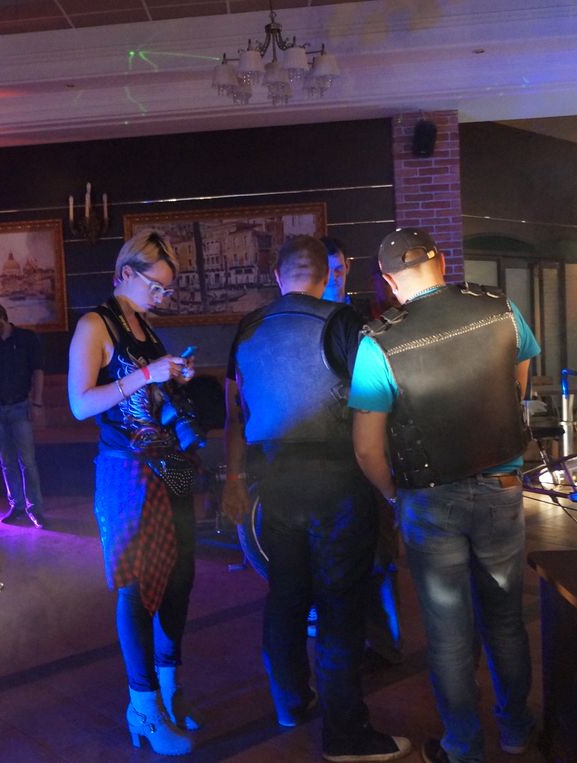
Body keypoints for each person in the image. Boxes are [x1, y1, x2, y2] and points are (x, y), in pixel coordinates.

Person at [351, 228, 539, 763]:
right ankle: (516, 731)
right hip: (502, 486)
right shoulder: (500, 308)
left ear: (389, 281)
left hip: (429, 499)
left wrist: (394, 495)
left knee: (449, 632)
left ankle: (462, 747)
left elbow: (366, 449)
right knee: (505, 619)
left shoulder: (378, 342)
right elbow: (517, 389)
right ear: (440, 262)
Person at [222, 235, 411, 762]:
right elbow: (378, 403)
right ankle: (345, 734)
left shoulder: (248, 327)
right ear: (325, 277)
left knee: (285, 597)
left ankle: (289, 702)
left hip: (273, 483)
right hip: (338, 480)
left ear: (277, 276)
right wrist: (390, 484)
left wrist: (233, 480)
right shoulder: (344, 323)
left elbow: (235, 412)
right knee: (339, 605)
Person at [67, 230, 200, 756]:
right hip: (126, 470)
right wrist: (148, 373)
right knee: (136, 586)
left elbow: (147, 397)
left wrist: (174, 379)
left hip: (168, 461)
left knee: (181, 577)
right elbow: (80, 403)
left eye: (167, 290)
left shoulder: (144, 324)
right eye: (156, 287)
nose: (161, 297)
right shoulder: (94, 324)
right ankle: (143, 706)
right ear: (126, 273)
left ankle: (168, 690)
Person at [321, 236, 405, 670]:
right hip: (332, 460)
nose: (333, 280)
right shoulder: (318, 324)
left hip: (367, 454)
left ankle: (385, 644)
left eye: (338, 271)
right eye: (327, 272)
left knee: (379, 556)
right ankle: (352, 644)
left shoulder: (361, 320)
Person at [0, 301, 46, 529]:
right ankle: (17, 505)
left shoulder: (26, 338)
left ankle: (35, 508)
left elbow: (37, 371)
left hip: (19, 406)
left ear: (1, 318)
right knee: (7, 461)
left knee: (28, 461)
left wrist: (37, 403)